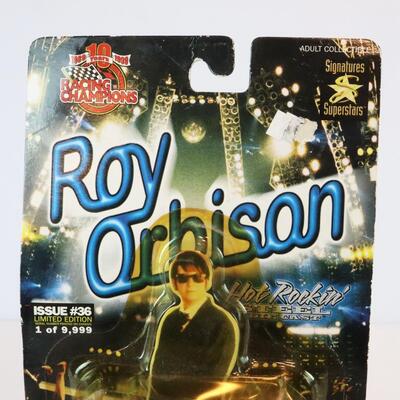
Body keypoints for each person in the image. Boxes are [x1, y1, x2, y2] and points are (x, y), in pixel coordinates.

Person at [149, 251, 239, 399]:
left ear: (206, 281)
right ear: (174, 282)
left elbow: (211, 382)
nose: (190, 284)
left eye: (197, 277)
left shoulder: (222, 323)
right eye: (182, 278)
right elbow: (157, 377)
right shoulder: (170, 319)